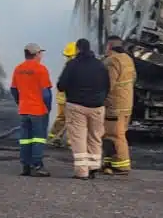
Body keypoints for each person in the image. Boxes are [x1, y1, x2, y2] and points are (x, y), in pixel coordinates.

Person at [55, 37, 109, 179]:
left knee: (78, 138)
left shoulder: (72, 64)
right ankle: (94, 167)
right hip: (97, 106)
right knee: (95, 137)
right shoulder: (100, 65)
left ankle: (82, 171)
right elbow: (107, 85)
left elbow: (61, 85)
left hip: (76, 105)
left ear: (78, 49)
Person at [8, 44, 53, 176]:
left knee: (25, 139)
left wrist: (19, 102)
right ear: (37, 54)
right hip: (38, 110)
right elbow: (46, 93)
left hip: (24, 109)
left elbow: (14, 89)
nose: (41, 56)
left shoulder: (18, 69)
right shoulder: (41, 69)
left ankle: (25, 166)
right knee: (38, 138)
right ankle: (37, 165)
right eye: (40, 53)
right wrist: (48, 107)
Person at [101, 37, 137, 175]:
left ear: (109, 46)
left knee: (114, 135)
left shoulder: (112, 61)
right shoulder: (127, 59)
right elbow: (133, 78)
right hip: (126, 104)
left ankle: (121, 165)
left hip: (113, 105)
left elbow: (108, 84)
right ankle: (111, 162)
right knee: (118, 134)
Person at [48, 41, 77, 147]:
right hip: (69, 98)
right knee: (72, 120)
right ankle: (70, 142)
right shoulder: (73, 66)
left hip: (62, 98)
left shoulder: (68, 65)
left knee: (61, 118)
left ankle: (53, 137)